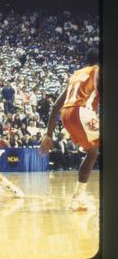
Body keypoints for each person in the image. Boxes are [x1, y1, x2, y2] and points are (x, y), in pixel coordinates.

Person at [40, 48, 100, 211]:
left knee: (93, 151)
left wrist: (49, 134)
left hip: (66, 115)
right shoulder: (98, 71)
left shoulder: (75, 75)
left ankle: (78, 198)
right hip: (82, 111)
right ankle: (78, 197)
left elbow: (55, 106)